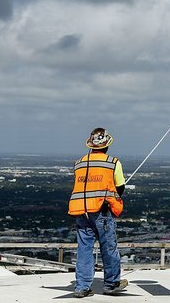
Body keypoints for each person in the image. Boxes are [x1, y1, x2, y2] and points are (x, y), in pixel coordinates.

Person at [68, 127, 129, 298]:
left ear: (91, 145)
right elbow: (120, 187)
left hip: (81, 212)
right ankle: (111, 283)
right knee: (108, 248)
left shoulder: (79, 163)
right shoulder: (112, 162)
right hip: (101, 212)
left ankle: (81, 287)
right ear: (107, 145)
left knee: (84, 250)